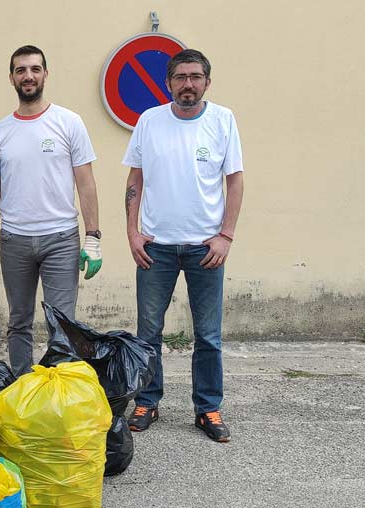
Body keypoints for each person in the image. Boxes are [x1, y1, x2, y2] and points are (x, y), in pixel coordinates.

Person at [122, 49, 244, 442]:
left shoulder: (222, 120)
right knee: (148, 333)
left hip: (205, 247)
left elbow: (235, 182)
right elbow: (135, 180)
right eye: (180, 77)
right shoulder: (149, 121)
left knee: (208, 335)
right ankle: (147, 400)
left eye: (195, 76)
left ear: (207, 81)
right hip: (156, 246)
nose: (187, 84)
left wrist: (225, 235)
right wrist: (133, 232)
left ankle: (207, 408)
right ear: (168, 82)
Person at [0, 45, 102, 377]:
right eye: (21, 70)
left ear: (46, 74)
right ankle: (22, 388)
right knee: (18, 321)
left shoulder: (68, 122)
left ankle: (59, 392)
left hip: (60, 239)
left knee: (62, 323)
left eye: (35, 69)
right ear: (11, 78)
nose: (28, 76)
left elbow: (86, 183)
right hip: (15, 240)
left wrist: (93, 238)